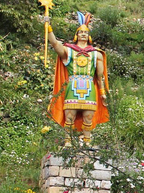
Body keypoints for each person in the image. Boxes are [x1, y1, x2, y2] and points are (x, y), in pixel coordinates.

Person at [42, 11, 109, 145]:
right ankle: (68, 141)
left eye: (86, 32)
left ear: (89, 36)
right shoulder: (69, 51)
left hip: (89, 88)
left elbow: (100, 77)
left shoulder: (96, 54)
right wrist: (48, 27)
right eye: (81, 32)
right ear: (76, 35)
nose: (83, 34)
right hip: (73, 87)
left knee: (88, 117)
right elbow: (55, 44)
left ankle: (87, 142)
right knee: (70, 117)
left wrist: (102, 92)